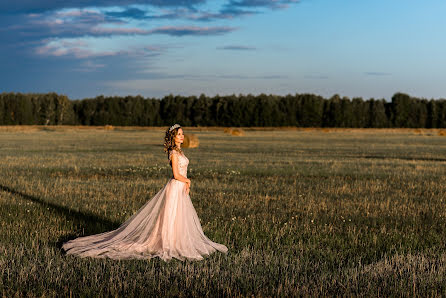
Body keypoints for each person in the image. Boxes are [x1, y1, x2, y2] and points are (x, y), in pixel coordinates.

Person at [62, 124, 228, 261]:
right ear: (173, 137)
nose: (183, 136)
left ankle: (175, 240)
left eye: (183, 134)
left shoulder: (180, 151)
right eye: (179, 134)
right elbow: (177, 175)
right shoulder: (173, 153)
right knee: (170, 216)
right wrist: (188, 181)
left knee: (178, 217)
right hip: (175, 186)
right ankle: (168, 244)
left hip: (180, 188)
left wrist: (186, 182)